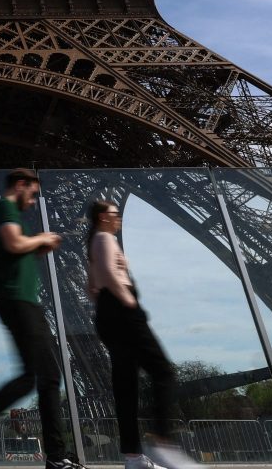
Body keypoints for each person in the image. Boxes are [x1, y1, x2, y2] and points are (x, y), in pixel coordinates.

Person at [0, 169, 83, 469]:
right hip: (19, 303)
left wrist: (36, 248)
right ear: (20, 185)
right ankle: (54, 456)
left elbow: (13, 255)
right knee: (47, 376)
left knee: (33, 377)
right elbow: (13, 244)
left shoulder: (9, 214)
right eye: (34, 193)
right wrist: (41, 238)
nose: (35, 201)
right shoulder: (5, 208)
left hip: (20, 302)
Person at [85, 200, 198, 469]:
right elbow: (110, 275)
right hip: (122, 309)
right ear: (103, 217)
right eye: (114, 213)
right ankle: (162, 443)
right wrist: (128, 300)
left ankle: (133, 457)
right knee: (162, 371)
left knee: (126, 387)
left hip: (107, 312)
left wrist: (108, 303)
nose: (118, 217)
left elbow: (90, 286)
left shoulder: (94, 242)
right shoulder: (104, 239)